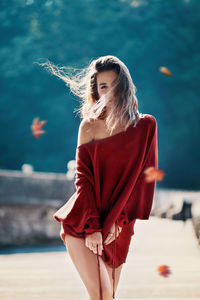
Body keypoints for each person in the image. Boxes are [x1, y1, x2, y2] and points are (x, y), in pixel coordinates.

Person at [40, 55, 158, 300]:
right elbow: (83, 179)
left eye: (114, 84)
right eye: (103, 86)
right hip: (84, 222)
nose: (109, 91)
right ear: (96, 90)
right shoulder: (89, 126)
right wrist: (93, 227)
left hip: (119, 227)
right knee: (102, 294)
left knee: (108, 296)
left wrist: (119, 220)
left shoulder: (146, 126)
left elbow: (143, 180)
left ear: (124, 86)